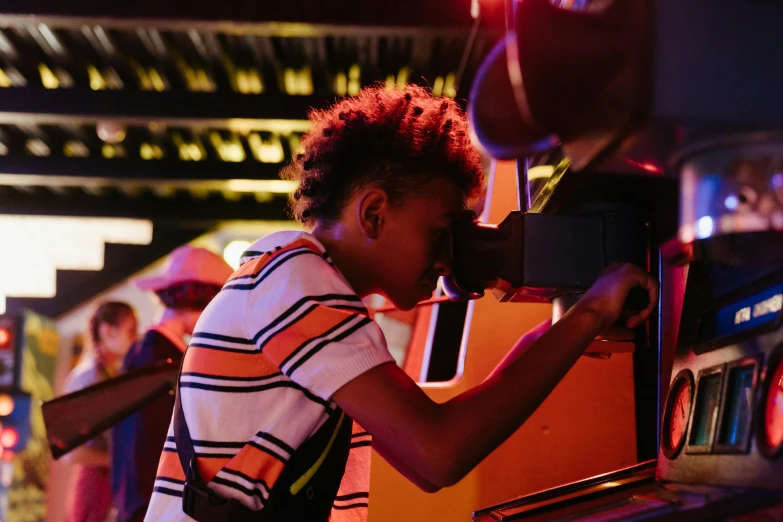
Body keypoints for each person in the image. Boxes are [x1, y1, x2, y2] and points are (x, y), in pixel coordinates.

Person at [144, 85, 659, 522]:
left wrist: (569, 326)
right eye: (438, 232)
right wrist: (587, 314)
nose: (446, 258)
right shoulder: (296, 280)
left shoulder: (289, 279)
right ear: (373, 213)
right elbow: (437, 453)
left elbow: (424, 463)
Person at [111, 245, 233, 522]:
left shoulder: (143, 349)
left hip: (135, 506)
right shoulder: (165, 359)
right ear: (204, 297)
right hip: (152, 508)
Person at [63, 301, 138, 522]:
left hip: (110, 483)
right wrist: (121, 458)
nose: (136, 337)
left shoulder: (109, 373)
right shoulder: (87, 379)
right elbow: (71, 451)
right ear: (107, 331)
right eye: (131, 330)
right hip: (97, 486)